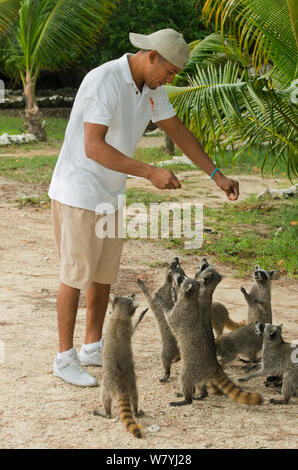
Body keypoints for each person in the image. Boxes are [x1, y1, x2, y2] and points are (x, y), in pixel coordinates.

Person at [48, 28, 239, 387]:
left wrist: (216, 174)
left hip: (110, 192)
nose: (170, 79)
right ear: (152, 57)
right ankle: (64, 357)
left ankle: (91, 347)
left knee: (103, 275)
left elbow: (176, 129)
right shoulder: (103, 80)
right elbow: (93, 146)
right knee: (74, 275)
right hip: (77, 190)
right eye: (169, 71)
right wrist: (149, 171)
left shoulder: (151, 88)